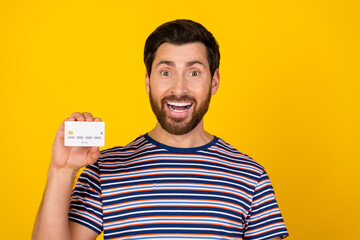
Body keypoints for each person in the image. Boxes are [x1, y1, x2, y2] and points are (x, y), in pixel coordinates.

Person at [32, 19, 288, 240]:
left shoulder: (250, 177)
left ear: (214, 81)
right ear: (147, 81)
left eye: (194, 73)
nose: (179, 88)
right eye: (166, 72)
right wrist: (62, 171)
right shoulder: (104, 169)